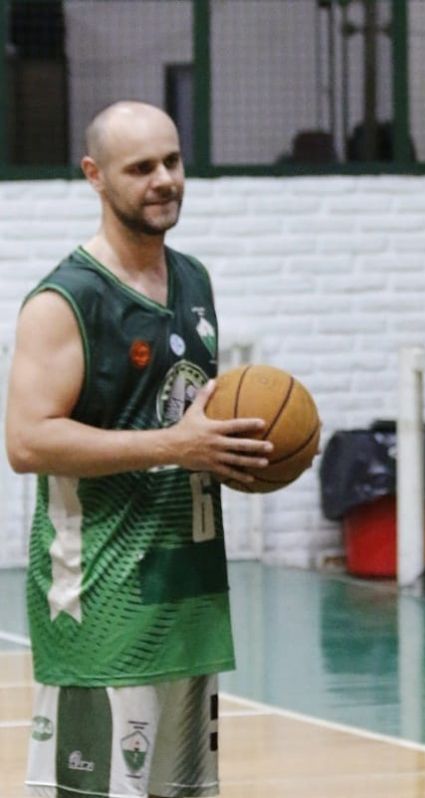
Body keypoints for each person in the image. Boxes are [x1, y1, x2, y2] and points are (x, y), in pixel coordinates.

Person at [5, 101, 272, 798]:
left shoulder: (193, 281)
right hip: (103, 604)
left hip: (188, 595)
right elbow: (27, 440)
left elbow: (190, 425)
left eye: (173, 162)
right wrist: (175, 444)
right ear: (94, 175)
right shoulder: (66, 301)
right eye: (141, 168)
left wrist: (245, 449)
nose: (164, 180)